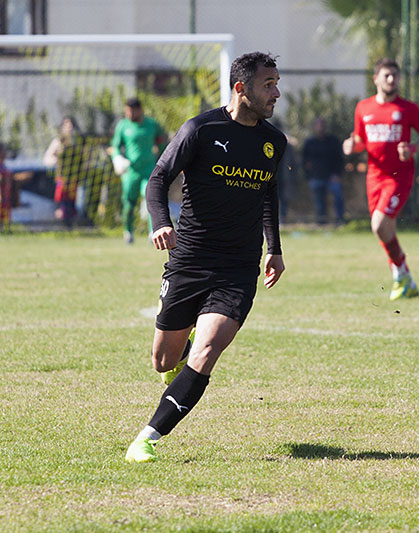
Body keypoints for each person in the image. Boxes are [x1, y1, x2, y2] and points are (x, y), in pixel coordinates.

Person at [125, 51, 286, 463]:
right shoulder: (201, 129)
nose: (276, 93)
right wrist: (162, 222)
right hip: (190, 259)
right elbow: (159, 178)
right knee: (164, 359)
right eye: (268, 84)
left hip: (237, 267)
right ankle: (181, 346)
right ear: (240, 88)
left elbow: (269, 196)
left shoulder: (273, 142)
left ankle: (148, 437)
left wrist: (275, 249)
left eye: (276, 83)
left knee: (208, 350)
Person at [343, 58, 419, 300]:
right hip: (374, 176)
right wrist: (352, 145)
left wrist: (412, 148)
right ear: (376, 79)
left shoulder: (408, 109)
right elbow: (360, 139)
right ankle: (405, 278)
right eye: (387, 76)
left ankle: (400, 273)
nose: (392, 80)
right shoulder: (363, 108)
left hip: (399, 176)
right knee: (385, 229)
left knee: (379, 225)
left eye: (395, 76)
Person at [110, 97, 166, 244]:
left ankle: (152, 232)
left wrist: (161, 158)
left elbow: (161, 142)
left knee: (150, 198)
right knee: (129, 203)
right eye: (126, 111)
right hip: (131, 172)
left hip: (148, 170)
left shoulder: (151, 124)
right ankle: (127, 231)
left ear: (139, 110)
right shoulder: (123, 126)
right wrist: (117, 159)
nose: (129, 114)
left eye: (131, 111)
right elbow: (115, 146)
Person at [44, 116, 86, 226]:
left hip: (76, 180)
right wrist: (56, 160)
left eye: (71, 124)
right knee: (63, 205)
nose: (69, 127)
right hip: (63, 179)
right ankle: (64, 225)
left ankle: (74, 226)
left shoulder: (79, 142)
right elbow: (47, 158)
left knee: (75, 206)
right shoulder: (58, 141)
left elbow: (86, 158)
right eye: (67, 124)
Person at [302, 117, 345, 225]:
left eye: (322, 125)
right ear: (314, 127)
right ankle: (322, 223)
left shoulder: (333, 141)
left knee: (338, 198)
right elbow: (304, 161)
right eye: (318, 125)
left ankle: (339, 221)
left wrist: (337, 174)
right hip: (316, 177)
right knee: (319, 202)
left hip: (332, 177)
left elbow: (339, 159)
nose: (320, 128)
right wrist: (308, 176)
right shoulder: (309, 142)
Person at [0, 143, 12, 231]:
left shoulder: (4, 166)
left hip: (6, 196)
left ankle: (6, 229)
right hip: (2, 197)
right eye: (3, 151)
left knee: (6, 215)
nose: (5, 153)